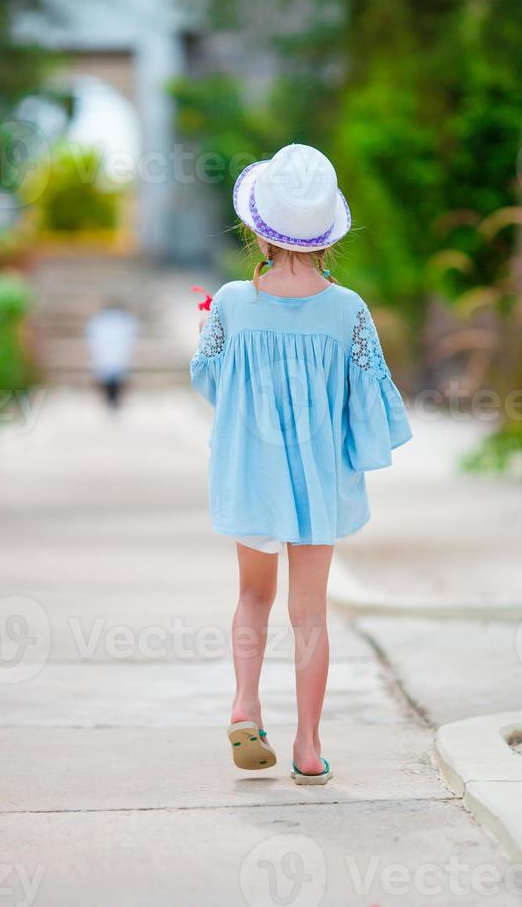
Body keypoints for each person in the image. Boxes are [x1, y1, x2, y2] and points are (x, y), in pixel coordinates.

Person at [190, 144, 412, 785]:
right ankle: (308, 747)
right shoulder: (349, 311)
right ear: (328, 236)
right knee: (309, 612)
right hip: (317, 484)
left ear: (257, 228)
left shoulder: (233, 302)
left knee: (252, 595)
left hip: (250, 477)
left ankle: (244, 705)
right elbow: (371, 394)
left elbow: (208, 379)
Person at [85, 302, 138, 408]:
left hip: (111, 357)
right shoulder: (124, 321)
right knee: (112, 377)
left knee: (112, 377)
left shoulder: (99, 321)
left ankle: (112, 402)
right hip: (112, 357)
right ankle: (112, 402)